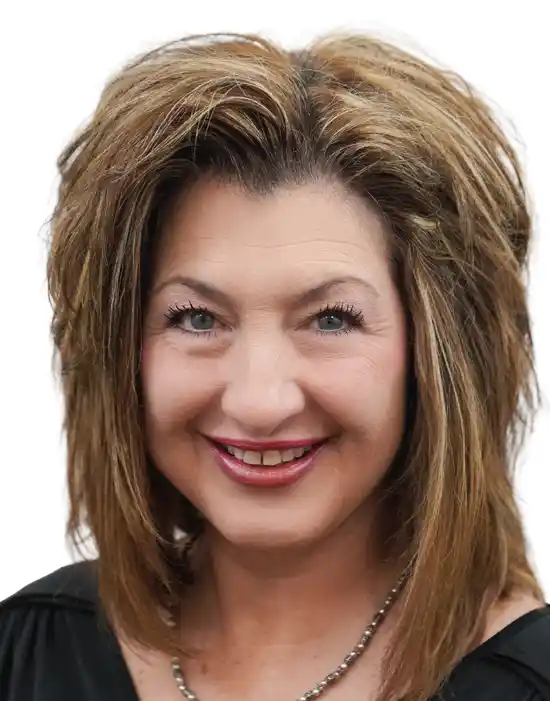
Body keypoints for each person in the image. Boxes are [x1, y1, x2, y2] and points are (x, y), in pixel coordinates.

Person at [0, 29, 549, 701]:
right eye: (196, 318)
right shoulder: (27, 654)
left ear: (438, 355)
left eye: (331, 319)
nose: (260, 402)